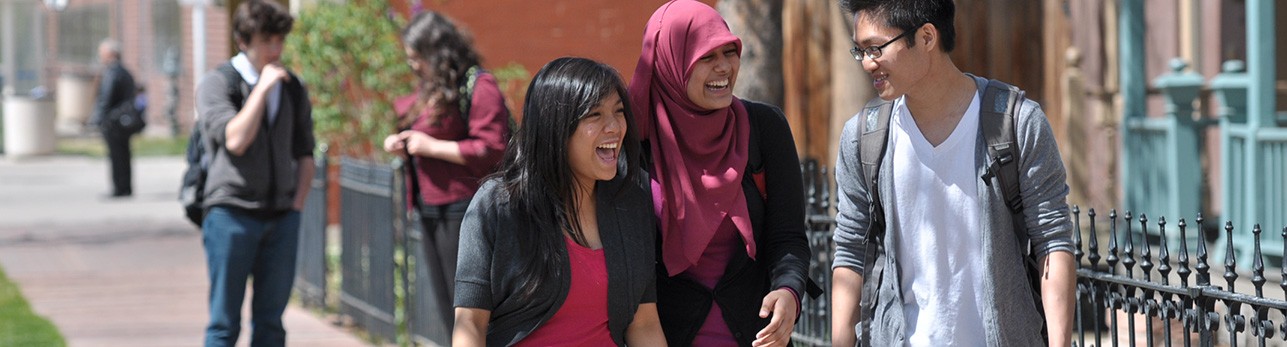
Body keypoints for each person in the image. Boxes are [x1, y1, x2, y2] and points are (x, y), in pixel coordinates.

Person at [828, 0, 1076, 346]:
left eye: (876, 48)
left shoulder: (1016, 124)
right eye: (860, 51)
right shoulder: (864, 138)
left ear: (927, 37)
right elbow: (851, 251)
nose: (868, 63)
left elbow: (1052, 240)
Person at [629, 1, 813, 346]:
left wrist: (789, 290)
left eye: (730, 52)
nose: (725, 68)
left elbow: (788, 236)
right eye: (707, 57)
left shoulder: (764, 128)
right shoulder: (632, 145)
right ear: (671, 62)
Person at [452, 57, 665, 346]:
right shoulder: (498, 207)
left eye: (618, 112)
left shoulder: (631, 203)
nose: (614, 127)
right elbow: (470, 324)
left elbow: (644, 323)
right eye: (595, 115)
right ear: (556, 127)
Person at [193, 0, 314, 345]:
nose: (276, 50)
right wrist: (261, 88)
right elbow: (235, 140)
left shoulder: (292, 88)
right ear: (244, 42)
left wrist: (296, 207)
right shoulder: (218, 84)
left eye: (279, 41)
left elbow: (305, 153)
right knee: (223, 323)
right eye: (267, 42)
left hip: (281, 217)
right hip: (231, 214)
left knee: (271, 323)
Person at [381, 11, 510, 333]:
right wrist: (402, 142)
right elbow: (418, 130)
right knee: (447, 306)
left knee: (471, 309)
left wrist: (429, 146)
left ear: (437, 52)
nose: (413, 65)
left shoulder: (479, 85)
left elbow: (493, 147)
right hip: (430, 207)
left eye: (417, 57)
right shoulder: (431, 89)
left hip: (465, 210)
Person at [88, 39, 137, 198]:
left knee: (116, 156)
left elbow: (105, 98)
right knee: (124, 154)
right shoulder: (124, 71)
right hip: (124, 120)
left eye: (102, 53)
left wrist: (97, 118)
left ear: (110, 54)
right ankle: (126, 187)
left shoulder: (112, 72)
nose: (100, 56)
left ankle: (119, 188)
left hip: (113, 121)